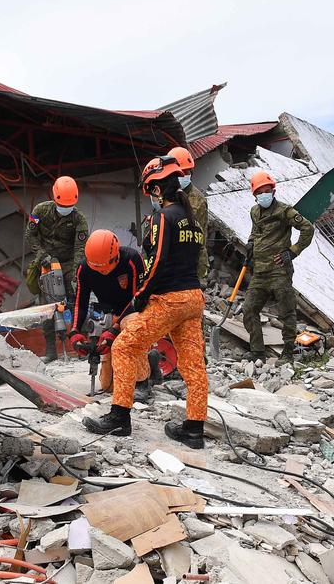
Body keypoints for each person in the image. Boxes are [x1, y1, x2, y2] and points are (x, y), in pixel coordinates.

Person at [83, 156, 209, 449]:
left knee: (124, 347)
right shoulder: (191, 220)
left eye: (150, 191)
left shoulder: (163, 217)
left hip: (170, 299)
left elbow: (157, 262)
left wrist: (139, 298)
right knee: (193, 365)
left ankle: (119, 417)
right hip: (193, 299)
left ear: (157, 189)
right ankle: (194, 429)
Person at [67, 229, 150, 396]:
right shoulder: (84, 269)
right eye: (96, 267)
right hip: (110, 315)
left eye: (104, 266)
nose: (101, 271)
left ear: (115, 256)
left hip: (135, 311)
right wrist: (75, 332)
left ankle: (143, 382)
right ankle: (152, 361)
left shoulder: (131, 260)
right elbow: (80, 303)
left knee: (131, 325)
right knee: (108, 385)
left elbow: (139, 298)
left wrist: (115, 328)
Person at [243, 170, 314, 362]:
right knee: (249, 309)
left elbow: (307, 228)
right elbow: (255, 231)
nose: (264, 195)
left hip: (279, 271)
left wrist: (293, 251)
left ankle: (288, 352)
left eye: (267, 191)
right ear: (255, 195)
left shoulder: (284, 211)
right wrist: (250, 242)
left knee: (286, 312)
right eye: (259, 192)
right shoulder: (254, 211)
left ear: (273, 192)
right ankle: (257, 352)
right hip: (260, 272)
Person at [24, 176, 89, 360]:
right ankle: (51, 350)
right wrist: (41, 255)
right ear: (54, 198)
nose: (65, 208)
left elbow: (80, 248)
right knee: (47, 308)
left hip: (69, 263)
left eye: (69, 206)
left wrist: (76, 275)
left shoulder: (79, 219)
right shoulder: (40, 211)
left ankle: (82, 346)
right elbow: (30, 235)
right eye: (62, 205)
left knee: (76, 302)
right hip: (46, 263)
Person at [168, 146, 210, 281]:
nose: (182, 175)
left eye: (186, 171)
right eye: (179, 172)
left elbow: (200, 235)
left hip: (191, 261)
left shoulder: (198, 199)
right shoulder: (165, 195)